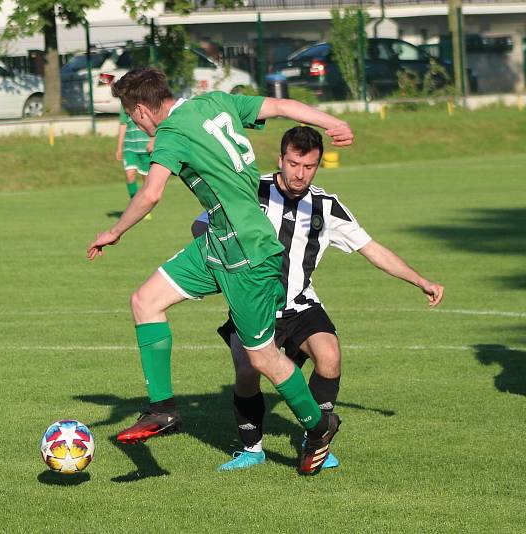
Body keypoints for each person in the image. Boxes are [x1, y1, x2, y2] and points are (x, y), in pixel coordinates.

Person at [87, 67, 354, 475]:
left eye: (130, 115)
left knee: (263, 357)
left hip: (248, 251)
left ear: (141, 110)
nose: (133, 123)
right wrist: (332, 121)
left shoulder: (171, 134)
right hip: (218, 243)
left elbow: (151, 192)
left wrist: (115, 230)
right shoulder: (215, 101)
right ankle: (162, 409)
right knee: (145, 301)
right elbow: (281, 106)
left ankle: (319, 426)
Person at [192, 126, 445, 472]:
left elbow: (372, 250)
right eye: (294, 163)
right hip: (253, 304)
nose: (300, 173)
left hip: (300, 303)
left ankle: (316, 440)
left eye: (309, 166)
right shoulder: (251, 191)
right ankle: (252, 450)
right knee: (247, 373)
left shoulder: (326, 206)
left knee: (330, 355)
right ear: (280, 159)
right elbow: (200, 225)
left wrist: (420, 280)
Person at [115, 105, 154, 203]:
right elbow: (123, 124)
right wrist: (119, 148)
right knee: (129, 175)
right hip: (130, 148)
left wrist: (153, 139)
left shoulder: (147, 100)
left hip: (145, 149)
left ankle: (145, 206)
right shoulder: (125, 103)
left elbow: (157, 122)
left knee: (147, 181)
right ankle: (134, 203)